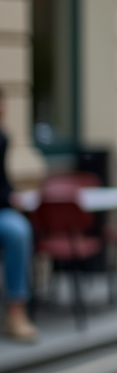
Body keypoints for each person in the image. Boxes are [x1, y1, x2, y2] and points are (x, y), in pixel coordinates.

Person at [0, 88, 38, 343]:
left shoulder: (3, 137)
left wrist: (13, 195)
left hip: (2, 211)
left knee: (19, 231)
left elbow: (2, 180)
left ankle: (16, 313)